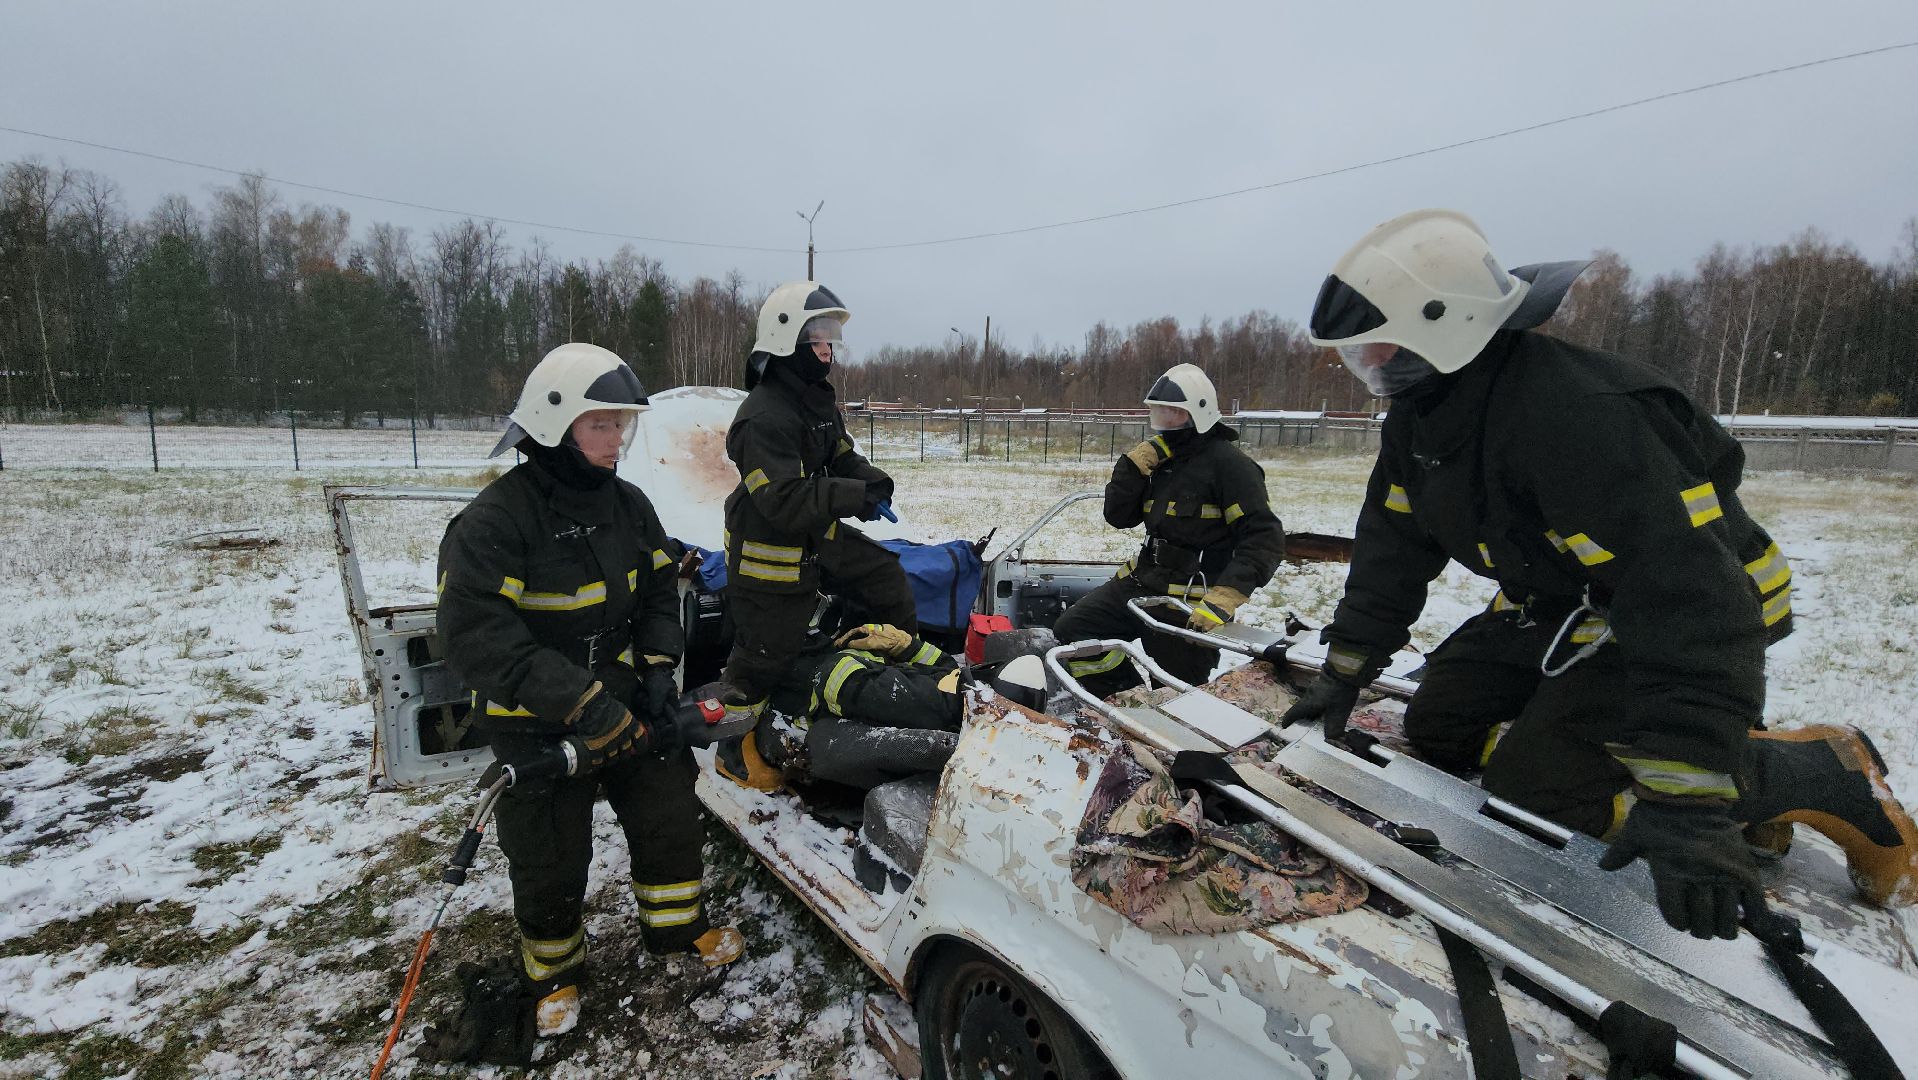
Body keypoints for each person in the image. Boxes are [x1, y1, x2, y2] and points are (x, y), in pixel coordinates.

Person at [1286, 208, 1918, 940]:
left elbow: (1690, 606)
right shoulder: (1423, 419)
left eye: (1379, 349)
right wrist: (1347, 664)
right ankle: (1706, 770)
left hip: (1699, 610)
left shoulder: (1579, 421)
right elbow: (1392, 546)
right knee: (1440, 720)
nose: (1370, 368)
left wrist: (1686, 802)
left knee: (1536, 787)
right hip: (1572, 602)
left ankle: (1815, 773)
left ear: (1448, 327)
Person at [436, 343, 744, 1039]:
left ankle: (676, 932)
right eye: (600, 424)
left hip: (626, 703)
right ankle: (553, 974)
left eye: (621, 425)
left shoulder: (630, 508)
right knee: (549, 853)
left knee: (669, 813)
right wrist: (585, 708)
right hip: (537, 723)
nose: (616, 440)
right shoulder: (493, 524)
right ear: (553, 425)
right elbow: (480, 638)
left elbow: (663, 586)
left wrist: (662, 669)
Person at [709, 281, 917, 790]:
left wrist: (871, 482)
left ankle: (883, 690)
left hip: (813, 536)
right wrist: (848, 496)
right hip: (768, 553)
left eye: (830, 339)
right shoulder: (761, 417)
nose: (828, 350)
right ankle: (733, 749)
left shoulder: (815, 401)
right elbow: (780, 500)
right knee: (763, 655)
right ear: (787, 342)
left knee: (884, 578)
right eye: (819, 338)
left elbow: (839, 452)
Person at [1053, 364, 1286, 697]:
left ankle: (1166, 727)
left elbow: (1265, 539)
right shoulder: (1162, 461)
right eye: (1159, 411)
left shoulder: (1230, 466)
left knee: (1178, 691)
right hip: (1142, 582)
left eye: (1173, 412)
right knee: (1076, 630)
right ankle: (1128, 701)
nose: (1164, 420)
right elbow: (1118, 516)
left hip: (1188, 598)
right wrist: (1130, 470)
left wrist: (1225, 597)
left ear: (1199, 414)